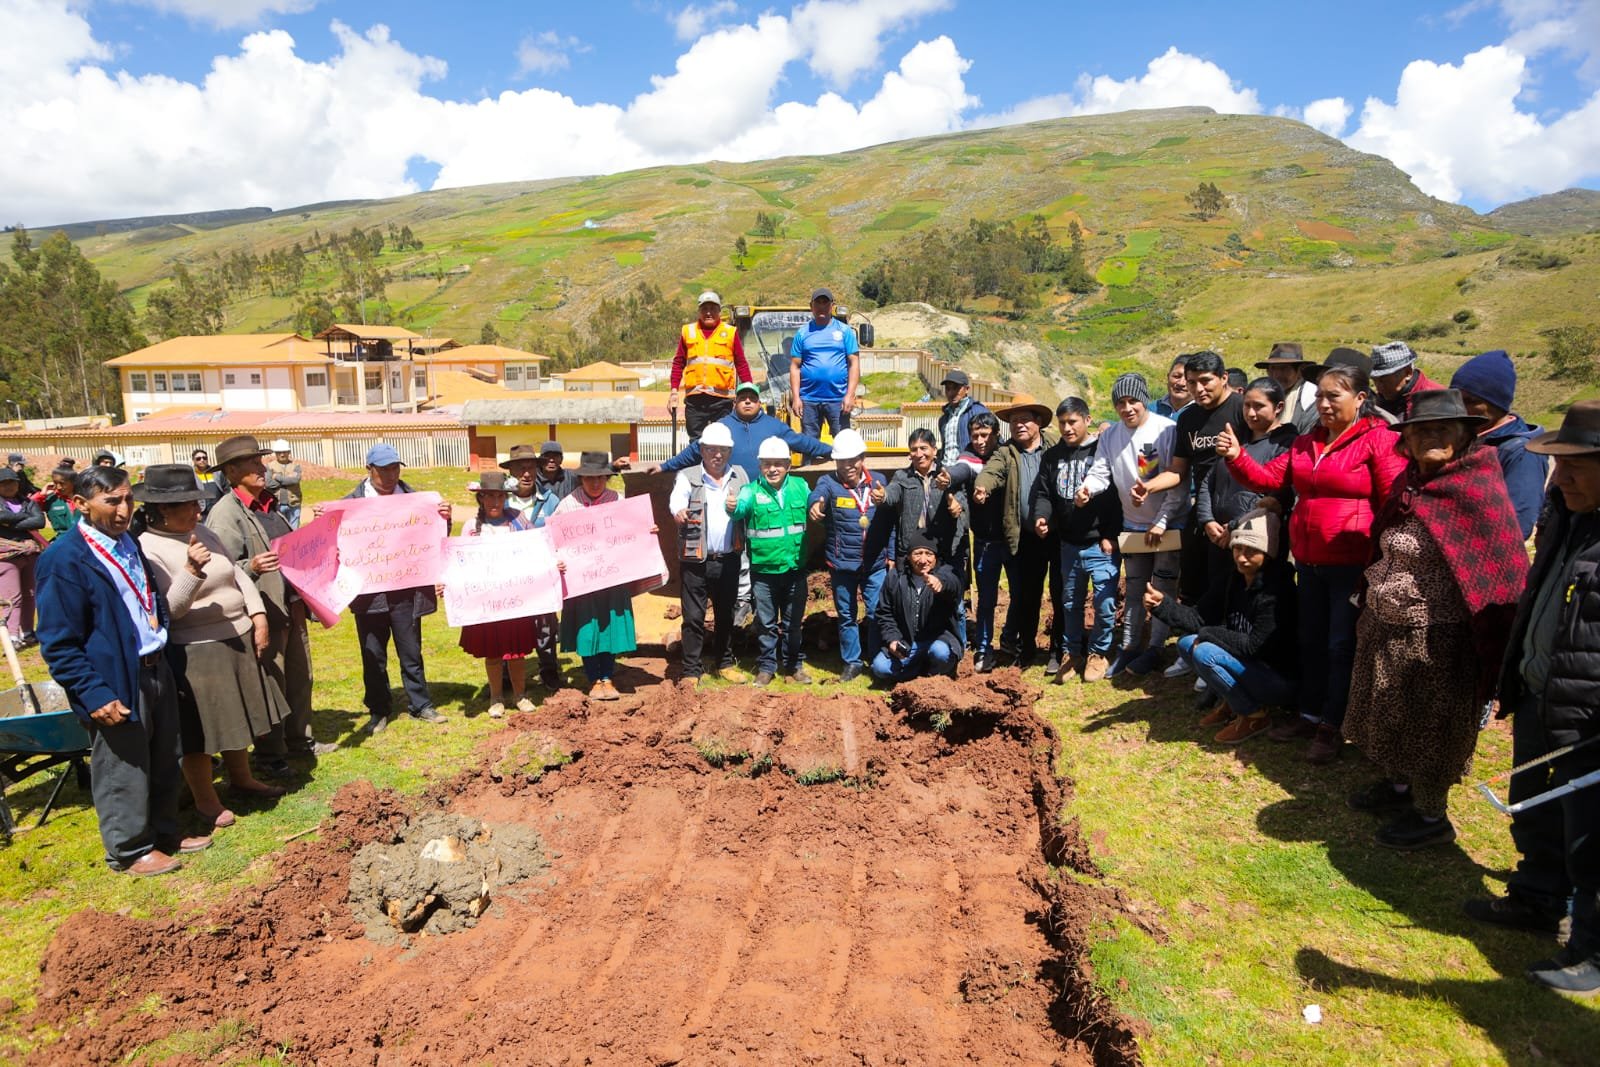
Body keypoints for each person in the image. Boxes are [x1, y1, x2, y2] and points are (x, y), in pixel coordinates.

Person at [1342, 389, 1528, 850]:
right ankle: (1398, 787)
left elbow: (1497, 570)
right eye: (1420, 430)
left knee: (1431, 726)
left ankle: (1431, 815)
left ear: (1466, 434)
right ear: (1405, 440)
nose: (1431, 438)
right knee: (1388, 714)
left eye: (1442, 429)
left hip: (1439, 639)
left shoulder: (1475, 486)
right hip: (1387, 626)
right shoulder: (1412, 482)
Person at [1466, 400, 1600, 995]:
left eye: (1576, 466)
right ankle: (1536, 898)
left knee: (1590, 836)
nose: (1561, 476)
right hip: (1545, 690)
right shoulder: (1570, 519)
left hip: (1589, 714)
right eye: (1560, 465)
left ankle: (1591, 949)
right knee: (1533, 805)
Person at [1219, 353, 1407, 763]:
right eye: (1319, 395)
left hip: (1351, 563)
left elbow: (1394, 501)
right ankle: (1308, 711)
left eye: (1333, 396)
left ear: (1360, 398)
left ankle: (1333, 724)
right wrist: (1236, 457)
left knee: (1340, 645)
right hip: (1309, 560)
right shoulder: (1307, 442)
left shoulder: (1379, 439)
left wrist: (1382, 556)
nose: (1323, 404)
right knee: (1311, 639)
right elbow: (1271, 479)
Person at [36, 466, 209, 875]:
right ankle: (129, 850)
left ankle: (166, 833)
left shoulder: (126, 541)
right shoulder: (64, 560)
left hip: (154, 665)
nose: (124, 509)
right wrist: (93, 693)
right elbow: (59, 643)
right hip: (114, 677)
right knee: (123, 767)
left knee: (164, 755)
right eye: (111, 501)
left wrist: (160, 630)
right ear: (79, 504)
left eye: (128, 498)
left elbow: (147, 597)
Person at [136, 465, 288, 831]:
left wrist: (257, 614)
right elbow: (168, 611)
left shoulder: (202, 532)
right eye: (187, 505)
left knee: (237, 718)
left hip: (235, 637)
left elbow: (236, 574)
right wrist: (191, 571)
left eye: (196, 502)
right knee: (200, 731)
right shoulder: (147, 548)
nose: (197, 511)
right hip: (196, 649)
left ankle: (242, 777)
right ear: (161, 510)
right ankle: (206, 799)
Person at [208, 434, 335, 771]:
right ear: (232, 472)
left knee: (299, 676)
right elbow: (218, 568)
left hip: (290, 605)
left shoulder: (269, 504)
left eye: (260, 460)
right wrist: (250, 567)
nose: (261, 467)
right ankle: (270, 753)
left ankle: (300, 741)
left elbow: (289, 548)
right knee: (271, 681)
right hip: (263, 611)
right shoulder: (225, 514)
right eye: (252, 463)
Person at [329, 443, 451, 732]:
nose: (391, 474)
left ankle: (420, 704)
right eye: (384, 469)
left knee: (411, 651)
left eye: (395, 467)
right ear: (369, 469)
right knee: (373, 654)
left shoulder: (416, 501)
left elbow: (434, 538)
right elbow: (334, 545)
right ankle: (379, 709)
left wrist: (444, 518)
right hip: (369, 594)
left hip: (406, 591)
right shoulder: (351, 505)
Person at [1148, 509, 1298, 744]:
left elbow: (1254, 646)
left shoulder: (1277, 591)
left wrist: (1208, 634)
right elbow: (1199, 617)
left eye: (1251, 551)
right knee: (1187, 644)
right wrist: (1162, 605)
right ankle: (1234, 701)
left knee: (1205, 651)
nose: (1242, 557)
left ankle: (1254, 714)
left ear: (1267, 554)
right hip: (1247, 666)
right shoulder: (1233, 579)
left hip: (1277, 678)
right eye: (1238, 548)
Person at [1076, 373, 1182, 677]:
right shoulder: (1110, 436)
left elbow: (1177, 481)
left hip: (1167, 524)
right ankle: (1129, 647)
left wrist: (1161, 521)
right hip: (1133, 525)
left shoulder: (1167, 430)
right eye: (1120, 403)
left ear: (1144, 399)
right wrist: (1087, 489)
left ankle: (1156, 649)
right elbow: (1100, 472)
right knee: (1135, 589)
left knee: (1162, 588)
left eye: (1133, 401)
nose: (1127, 408)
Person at [1140, 350, 1243, 627]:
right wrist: (1149, 486)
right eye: (1192, 381)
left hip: (1238, 511)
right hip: (1201, 510)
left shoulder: (1242, 409)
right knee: (1195, 581)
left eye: (1206, 381)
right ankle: (1192, 646)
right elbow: (1177, 470)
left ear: (1224, 378)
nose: (1198, 388)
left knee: (1232, 586)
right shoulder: (1188, 419)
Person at [1030, 396, 1121, 683]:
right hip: (1068, 544)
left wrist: (1110, 534)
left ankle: (1098, 653)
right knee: (1070, 603)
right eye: (1063, 423)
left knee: (1105, 603)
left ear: (1087, 420)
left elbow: (1116, 497)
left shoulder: (1102, 452)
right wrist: (1041, 518)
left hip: (1100, 544)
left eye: (1073, 422)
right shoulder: (1052, 456)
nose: (1067, 428)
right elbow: (1044, 493)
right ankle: (1073, 653)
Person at [554, 452, 645, 700]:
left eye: (600, 478)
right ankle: (593, 678)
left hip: (612, 580)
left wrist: (647, 531)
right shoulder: (567, 505)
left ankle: (607, 676)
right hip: (581, 583)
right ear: (581, 478)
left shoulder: (619, 501)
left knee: (609, 628)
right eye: (588, 478)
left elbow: (634, 532)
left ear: (607, 477)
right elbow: (552, 540)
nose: (595, 483)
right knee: (587, 629)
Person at [973, 400, 1056, 668]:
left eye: (1024, 420)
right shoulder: (1006, 452)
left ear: (1038, 423)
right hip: (1025, 537)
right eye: (1014, 421)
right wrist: (982, 487)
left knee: (1061, 591)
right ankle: (1027, 648)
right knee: (1027, 595)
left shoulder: (1054, 447)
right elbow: (992, 472)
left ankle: (1059, 649)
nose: (1019, 425)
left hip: (1056, 535)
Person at [1195, 377, 1296, 592]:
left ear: (1278, 407)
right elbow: (1208, 481)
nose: (1251, 413)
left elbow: (1275, 498)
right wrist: (1207, 520)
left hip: (1255, 544)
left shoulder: (1286, 443)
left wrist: (1233, 527)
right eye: (1247, 406)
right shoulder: (1238, 440)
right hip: (1218, 540)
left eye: (1259, 406)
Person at [728, 436, 812, 686]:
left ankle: (794, 666)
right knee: (765, 623)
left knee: (793, 623)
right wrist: (731, 506)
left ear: (788, 465)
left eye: (778, 463)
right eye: (767, 464)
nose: (772, 469)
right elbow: (738, 509)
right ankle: (766, 667)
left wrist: (820, 506)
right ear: (760, 466)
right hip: (763, 571)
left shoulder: (801, 487)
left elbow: (816, 505)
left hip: (795, 568)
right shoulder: (750, 491)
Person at [670, 422, 749, 687]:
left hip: (728, 558)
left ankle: (724, 663)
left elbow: (749, 504)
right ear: (702, 450)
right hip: (696, 560)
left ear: (730, 451)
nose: (718, 455)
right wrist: (679, 511)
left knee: (726, 613)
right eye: (712, 449)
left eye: (724, 450)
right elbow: (676, 500)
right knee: (693, 616)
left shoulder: (739, 476)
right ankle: (691, 669)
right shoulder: (688, 476)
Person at [810, 429, 889, 682]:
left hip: (874, 563)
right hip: (842, 564)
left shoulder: (878, 481)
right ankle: (852, 662)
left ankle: (877, 657)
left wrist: (893, 555)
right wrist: (816, 503)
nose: (848, 466)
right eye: (842, 460)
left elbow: (891, 521)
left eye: (852, 459)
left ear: (862, 458)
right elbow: (818, 493)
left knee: (876, 612)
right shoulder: (829, 482)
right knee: (847, 616)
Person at [459, 473, 539, 717]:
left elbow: (537, 547)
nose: (495, 501)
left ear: (506, 497)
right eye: (490, 496)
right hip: (486, 602)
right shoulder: (471, 528)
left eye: (500, 496)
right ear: (481, 497)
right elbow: (459, 562)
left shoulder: (518, 520)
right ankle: (496, 697)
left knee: (516, 652)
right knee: (493, 652)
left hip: (515, 600)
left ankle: (520, 695)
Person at [1450, 348, 1550, 539]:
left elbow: (1518, 524)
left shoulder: (1520, 452)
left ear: (1498, 403)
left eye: (1471, 401)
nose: (1461, 408)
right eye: (1456, 400)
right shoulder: (1467, 437)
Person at [656, 381, 831, 480]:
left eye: (752, 399)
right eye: (743, 398)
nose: (747, 402)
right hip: (731, 497)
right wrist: (664, 466)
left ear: (759, 403)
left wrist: (832, 451)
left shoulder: (774, 426)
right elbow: (695, 450)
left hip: (764, 496)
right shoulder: (721, 426)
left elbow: (802, 442)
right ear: (735, 403)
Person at [944, 412, 1006, 671]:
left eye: (984, 435)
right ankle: (983, 648)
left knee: (1023, 595)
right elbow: (960, 470)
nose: (979, 441)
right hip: (984, 541)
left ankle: (1014, 643)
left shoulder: (1007, 454)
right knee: (986, 599)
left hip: (1013, 539)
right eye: (975, 436)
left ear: (996, 434)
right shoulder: (968, 456)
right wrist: (947, 477)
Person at [870, 531, 963, 684]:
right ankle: (919, 673)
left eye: (929, 554)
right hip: (907, 642)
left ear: (935, 557)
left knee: (940, 653)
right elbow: (884, 613)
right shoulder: (895, 577)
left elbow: (954, 584)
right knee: (880, 668)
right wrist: (893, 640)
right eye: (918, 553)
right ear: (908, 556)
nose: (923, 559)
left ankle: (933, 674)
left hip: (936, 640)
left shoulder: (944, 572)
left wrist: (941, 583)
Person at [671, 291, 753, 441]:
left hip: (722, 401)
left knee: (722, 440)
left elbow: (741, 363)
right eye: (704, 309)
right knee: (696, 442)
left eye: (713, 309)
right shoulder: (688, 332)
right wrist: (674, 391)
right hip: (695, 401)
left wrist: (749, 390)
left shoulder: (729, 332)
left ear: (719, 311)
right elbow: (678, 363)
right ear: (699, 311)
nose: (708, 312)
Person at [789, 287, 860, 440]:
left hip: (838, 399)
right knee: (809, 445)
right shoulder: (802, 333)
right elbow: (795, 367)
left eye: (825, 302)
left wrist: (850, 395)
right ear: (811, 306)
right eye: (818, 302)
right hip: (809, 399)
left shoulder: (844, 331)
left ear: (832, 305)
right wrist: (796, 397)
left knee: (843, 443)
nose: (822, 306)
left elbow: (854, 364)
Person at [0, 468, 45, 647]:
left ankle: (27, 632)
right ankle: (11, 635)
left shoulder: (27, 502)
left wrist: (11, 522)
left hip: (30, 554)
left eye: (12, 482)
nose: (9, 486)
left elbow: (39, 521)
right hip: (6, 556)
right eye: (4, 483)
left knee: (30, 594)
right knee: (12, 597)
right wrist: (25, 519)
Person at [1254, 342, 1320, 434]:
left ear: (1300, 371)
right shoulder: (1264, 394)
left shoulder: (1310, 398)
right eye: (1273, 368)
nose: (1276, 375)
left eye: (1283, 369)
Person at [1370, 341, 1442, 422]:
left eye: (1384, 381)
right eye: (1375, 380)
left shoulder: (1438, 398)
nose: (1379, 388)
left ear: (1408, 373)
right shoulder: (1379, 401)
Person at [937, 370, 991, 468]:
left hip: (969, 474)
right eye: (948, 389)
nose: (951, 393)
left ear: (967, 389)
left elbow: (993, 441)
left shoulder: (978, 412)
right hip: (946, 474)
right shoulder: (943, 419)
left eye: (956, 388)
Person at [265, 439, 304, 529]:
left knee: (294, 531)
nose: (282, 454)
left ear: (289, 452)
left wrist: (277, 477)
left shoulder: (296, 466)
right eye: (279, 452)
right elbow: (268, 483)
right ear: (275, 453)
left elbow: (295, 480)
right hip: (277, 504)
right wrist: (288, 479)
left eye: (284, 452)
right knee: (280, 531)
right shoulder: (269, 466)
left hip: (294, 503)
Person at [34, 465, 80, 536]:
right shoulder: (51, 500)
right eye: (55, 483)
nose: (58, 487)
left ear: (73, 482)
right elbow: (29, 508)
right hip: (63, 541)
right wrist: (42, 494)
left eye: (62, 483)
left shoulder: (84, 498)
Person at [190, 449, 226, 516]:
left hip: (219, 510)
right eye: (198, 459)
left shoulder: (217, 472)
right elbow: (191, 495)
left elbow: (226, 489)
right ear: (194, 461)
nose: (202, 460)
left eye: (204, 458)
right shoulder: (191, 475)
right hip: (203, 513)